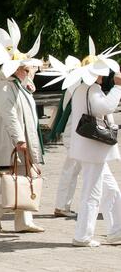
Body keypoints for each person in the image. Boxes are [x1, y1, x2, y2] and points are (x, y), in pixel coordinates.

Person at [0, 66, 45, 233]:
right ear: (15, 69)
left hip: (19, 139)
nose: (28, 72)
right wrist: (19, 139)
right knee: (18, 179)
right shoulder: (4, 86)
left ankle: (23, 222)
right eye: (25, 69)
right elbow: (9, 114)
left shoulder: (15, 84)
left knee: (22, 178)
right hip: (11, 140)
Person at [69, 74, 121, 246]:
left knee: (111, 189)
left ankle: (117, 230)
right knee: (92, 192)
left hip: (90, 148)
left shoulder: (82, 88)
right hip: (93, 149)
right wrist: (118, 87)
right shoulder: (92, 89)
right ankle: (83, 236)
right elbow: (105, 107)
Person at [52, 89, 80, 218]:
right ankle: (62, 206)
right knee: (71, 172)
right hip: (76, 136)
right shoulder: (78, 86)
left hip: (76, 136)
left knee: (70, 172)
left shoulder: (75, 85)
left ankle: (62, 205)